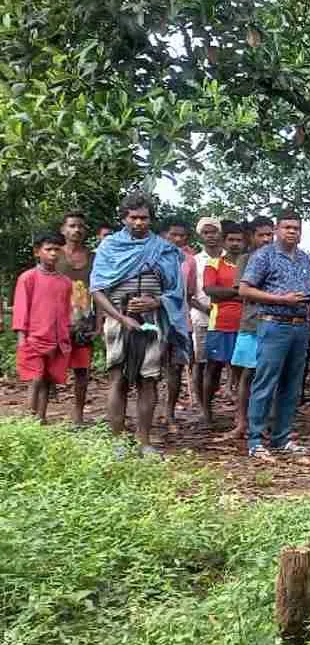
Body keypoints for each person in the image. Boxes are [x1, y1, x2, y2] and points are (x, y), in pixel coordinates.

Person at [90, 192, 190, 451]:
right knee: (118, 379)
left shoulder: (164, 249)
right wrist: (121, 317)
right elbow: (97, 289)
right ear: (124, 218)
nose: (138, 223)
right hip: (118, 320)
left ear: (151, 218)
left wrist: (156, 302)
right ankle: (118, 442)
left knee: (149, 379)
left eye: (144, 218)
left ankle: (144, 440)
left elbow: (177, 291)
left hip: (153, 320)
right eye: (133, 218)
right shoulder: (109, 247)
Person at [239, 211, 310, 456]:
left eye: (296, 228)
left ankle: (281, 438)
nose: (292, 232)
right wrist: (280, 299)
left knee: (292, 385)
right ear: (277, 229)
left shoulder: (304, 258)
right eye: (287, 227)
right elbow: (244, 289)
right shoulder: (264, 256)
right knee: (265, 381)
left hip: (300, 325)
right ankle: (255, 441)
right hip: (274, 323)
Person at [13, 234, 73, 424]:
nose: (53, 254)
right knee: (35, 379)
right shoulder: (27, 278)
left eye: (57, 249)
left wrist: (65, 336)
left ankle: (42, 418)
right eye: (48, 249)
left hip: (56, 339)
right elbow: (21, 309)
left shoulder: (65, 282)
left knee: (48, 380)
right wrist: (22, 338)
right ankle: (29, 421)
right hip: (33, 339)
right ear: (37, 252)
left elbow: (66, 311)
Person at [226, 217, 274, 440]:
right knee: (247, 375)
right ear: (252, 237)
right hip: (251, 323)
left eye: (269, 234)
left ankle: (263, 422)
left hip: (275, 324)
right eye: (261, 235)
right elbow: (242, 290)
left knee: (270, 376)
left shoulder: (280, 259)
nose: (266, 239)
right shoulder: (246, 259)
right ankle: (241, 421)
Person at [199, 221, 245, 428]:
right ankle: (206, 412)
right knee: (213, 369)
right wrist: (241, 292)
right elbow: (210, 290)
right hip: (219, 324)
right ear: (224, 241)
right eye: (231, 240)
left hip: (246, 324)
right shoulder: (214, 264)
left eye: (239, 240)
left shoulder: (250, 264)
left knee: (242, 371)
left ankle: (241, 416)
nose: (235, 244)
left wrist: (226, 293)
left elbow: (220, 292)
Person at [57, 211, 98, 425]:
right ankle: (40, 416)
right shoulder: (55, 255)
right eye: (72, 226)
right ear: (63, 230)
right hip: (56, 321)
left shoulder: (93, 258)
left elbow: (100, 291)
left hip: (84, 322)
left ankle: (78, 416)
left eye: (81, 226)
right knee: (50, 368)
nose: (76, 230)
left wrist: (99, 322)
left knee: (82, 370)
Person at [185, 218, 222, 425]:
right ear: (201, 235)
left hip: (225, 317)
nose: (211, 236)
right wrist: (205, 308)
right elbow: (189, 293)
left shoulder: (229, 258)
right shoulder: (195, 260)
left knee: (217, 364)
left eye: (214, 231)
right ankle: (203, 407)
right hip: (201, 316)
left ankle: (211, 403)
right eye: (206, 232)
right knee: (201, 362)